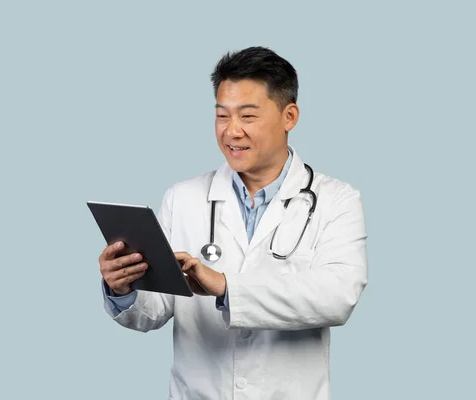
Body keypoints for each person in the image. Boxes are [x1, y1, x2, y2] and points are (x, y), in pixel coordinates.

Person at [98, 46, 368, 400]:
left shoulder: (337, 200)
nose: (231, 131)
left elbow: (337, 296)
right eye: (222, 116)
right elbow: (155, 311)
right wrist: (123, 288)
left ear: (290, 116)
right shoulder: (183, 198)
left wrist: (226, 286)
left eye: (248, 116)